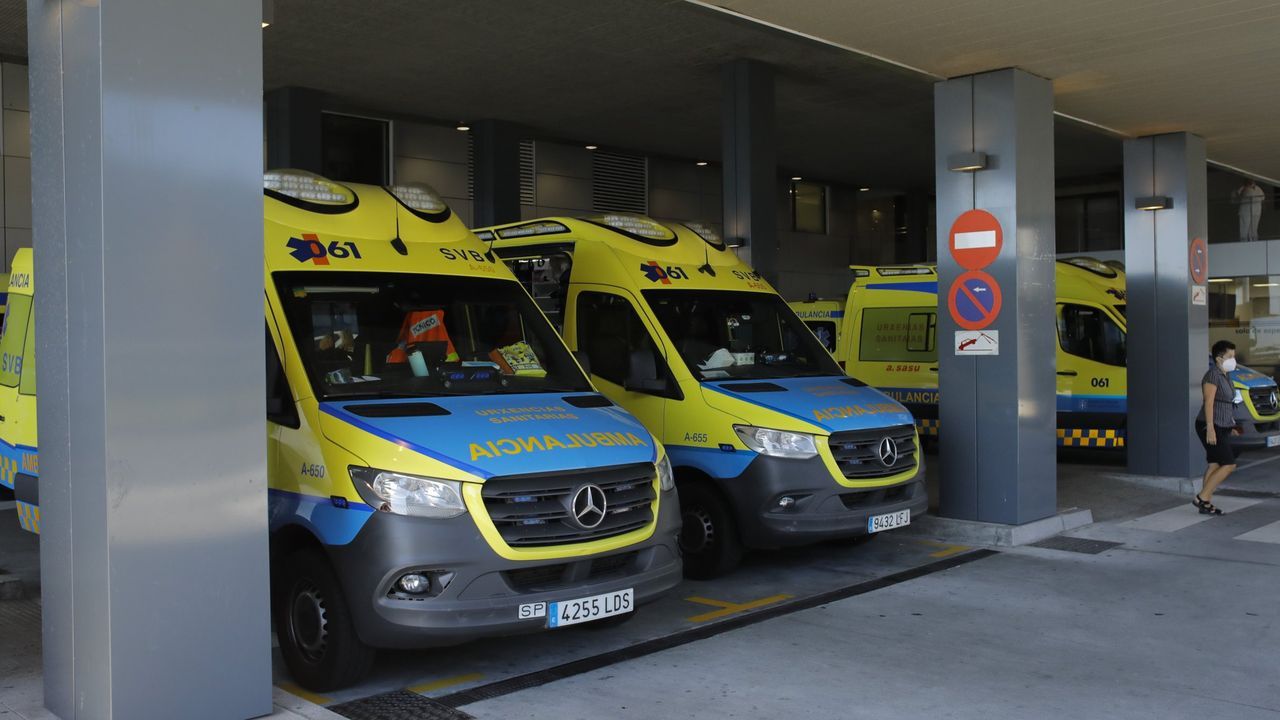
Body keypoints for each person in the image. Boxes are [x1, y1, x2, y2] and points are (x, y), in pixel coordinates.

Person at [1193, 340, 1242, 514]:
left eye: (1234, 356)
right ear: (1219, 358)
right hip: (1210, 425)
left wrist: (1231, 426)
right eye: (1230, 356)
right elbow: (1209, 403)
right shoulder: (1212, 375)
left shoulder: (1225, 375)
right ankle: (1202, 498)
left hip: (1222, 425)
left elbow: (1225, 404)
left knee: (1214, 464)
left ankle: (1205, 503)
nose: (1233, 360)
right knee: (1228, 464)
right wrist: (1211, 428)